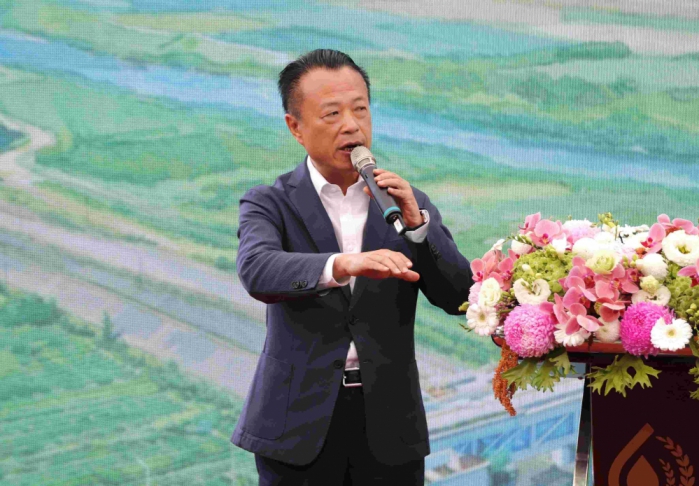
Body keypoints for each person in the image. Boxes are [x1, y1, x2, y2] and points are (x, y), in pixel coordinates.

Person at [231, 49, 473, 485]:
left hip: (389, 427)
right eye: (332, 113)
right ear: (295, 127)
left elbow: (459, 296)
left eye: (360, 110)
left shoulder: (405, 203)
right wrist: (344, 264)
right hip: (297, 426)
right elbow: (258, 269)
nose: (351, 125)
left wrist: (419, 228)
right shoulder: (270, 202)